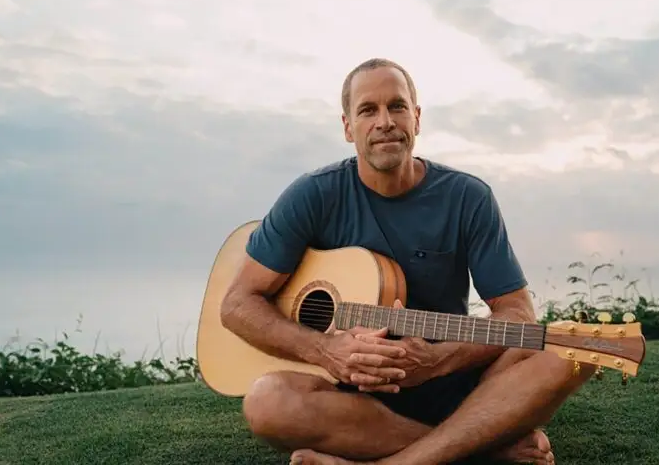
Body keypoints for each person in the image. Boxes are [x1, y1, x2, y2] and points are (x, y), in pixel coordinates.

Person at [218, 58, 596, 465]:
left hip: (455, 383)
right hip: (353, 399)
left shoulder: (468, 197)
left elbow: (518, 314)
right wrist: (326, 351)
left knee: (574, 352)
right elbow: (237, 304)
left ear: (416, 119)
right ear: (348, 127)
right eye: (368, 110)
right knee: (267, 402)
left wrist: (435, 362)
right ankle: (482, 449)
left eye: (397, 107)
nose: (384, 121)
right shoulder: (313, 195)